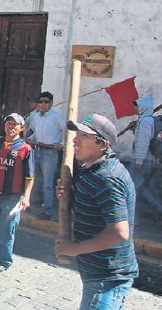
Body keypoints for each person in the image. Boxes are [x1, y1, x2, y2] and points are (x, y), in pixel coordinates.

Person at [55, 113, 138, 310]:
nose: (75, 139)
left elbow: (119, 232)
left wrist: (74, 249)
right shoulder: (90, 169)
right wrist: (69, 195)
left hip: (108, 278)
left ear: (103, 145)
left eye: (84, 136)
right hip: (98, 274)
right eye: (77, 134)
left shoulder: (107, 177)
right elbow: (94, 206)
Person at [0, 113, 34, 273]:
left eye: (14, 124)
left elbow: (30, 176)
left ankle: (4, 261)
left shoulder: (25, 149)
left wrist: (26, 197)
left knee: (6, 229)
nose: (10, 127)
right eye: (8, 123)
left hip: (12, 197)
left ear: (21, 128)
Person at [26, 91, 65, 221]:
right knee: (33, 179)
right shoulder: (35, 117)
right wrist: (28, 139)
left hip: (50, 152)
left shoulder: (57, 116)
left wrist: (62, 144)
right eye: (40, 102)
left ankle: (48, 210)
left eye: (46, 102)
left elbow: (69, 130)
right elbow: (35, 133)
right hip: (36, 150)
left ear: (51, 104)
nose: (43, 104)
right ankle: (30, 204)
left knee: (48, 183)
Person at [129, 96, 162, 216]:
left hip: (143, 160)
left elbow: (143, 143)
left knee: (133, 189)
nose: (135, 108)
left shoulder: (145, 122)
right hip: (148, 159)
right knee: (140, 186)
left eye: (137, 105)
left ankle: (133, 217)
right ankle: (157, 206)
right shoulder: (146, 120)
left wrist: (139, 161)